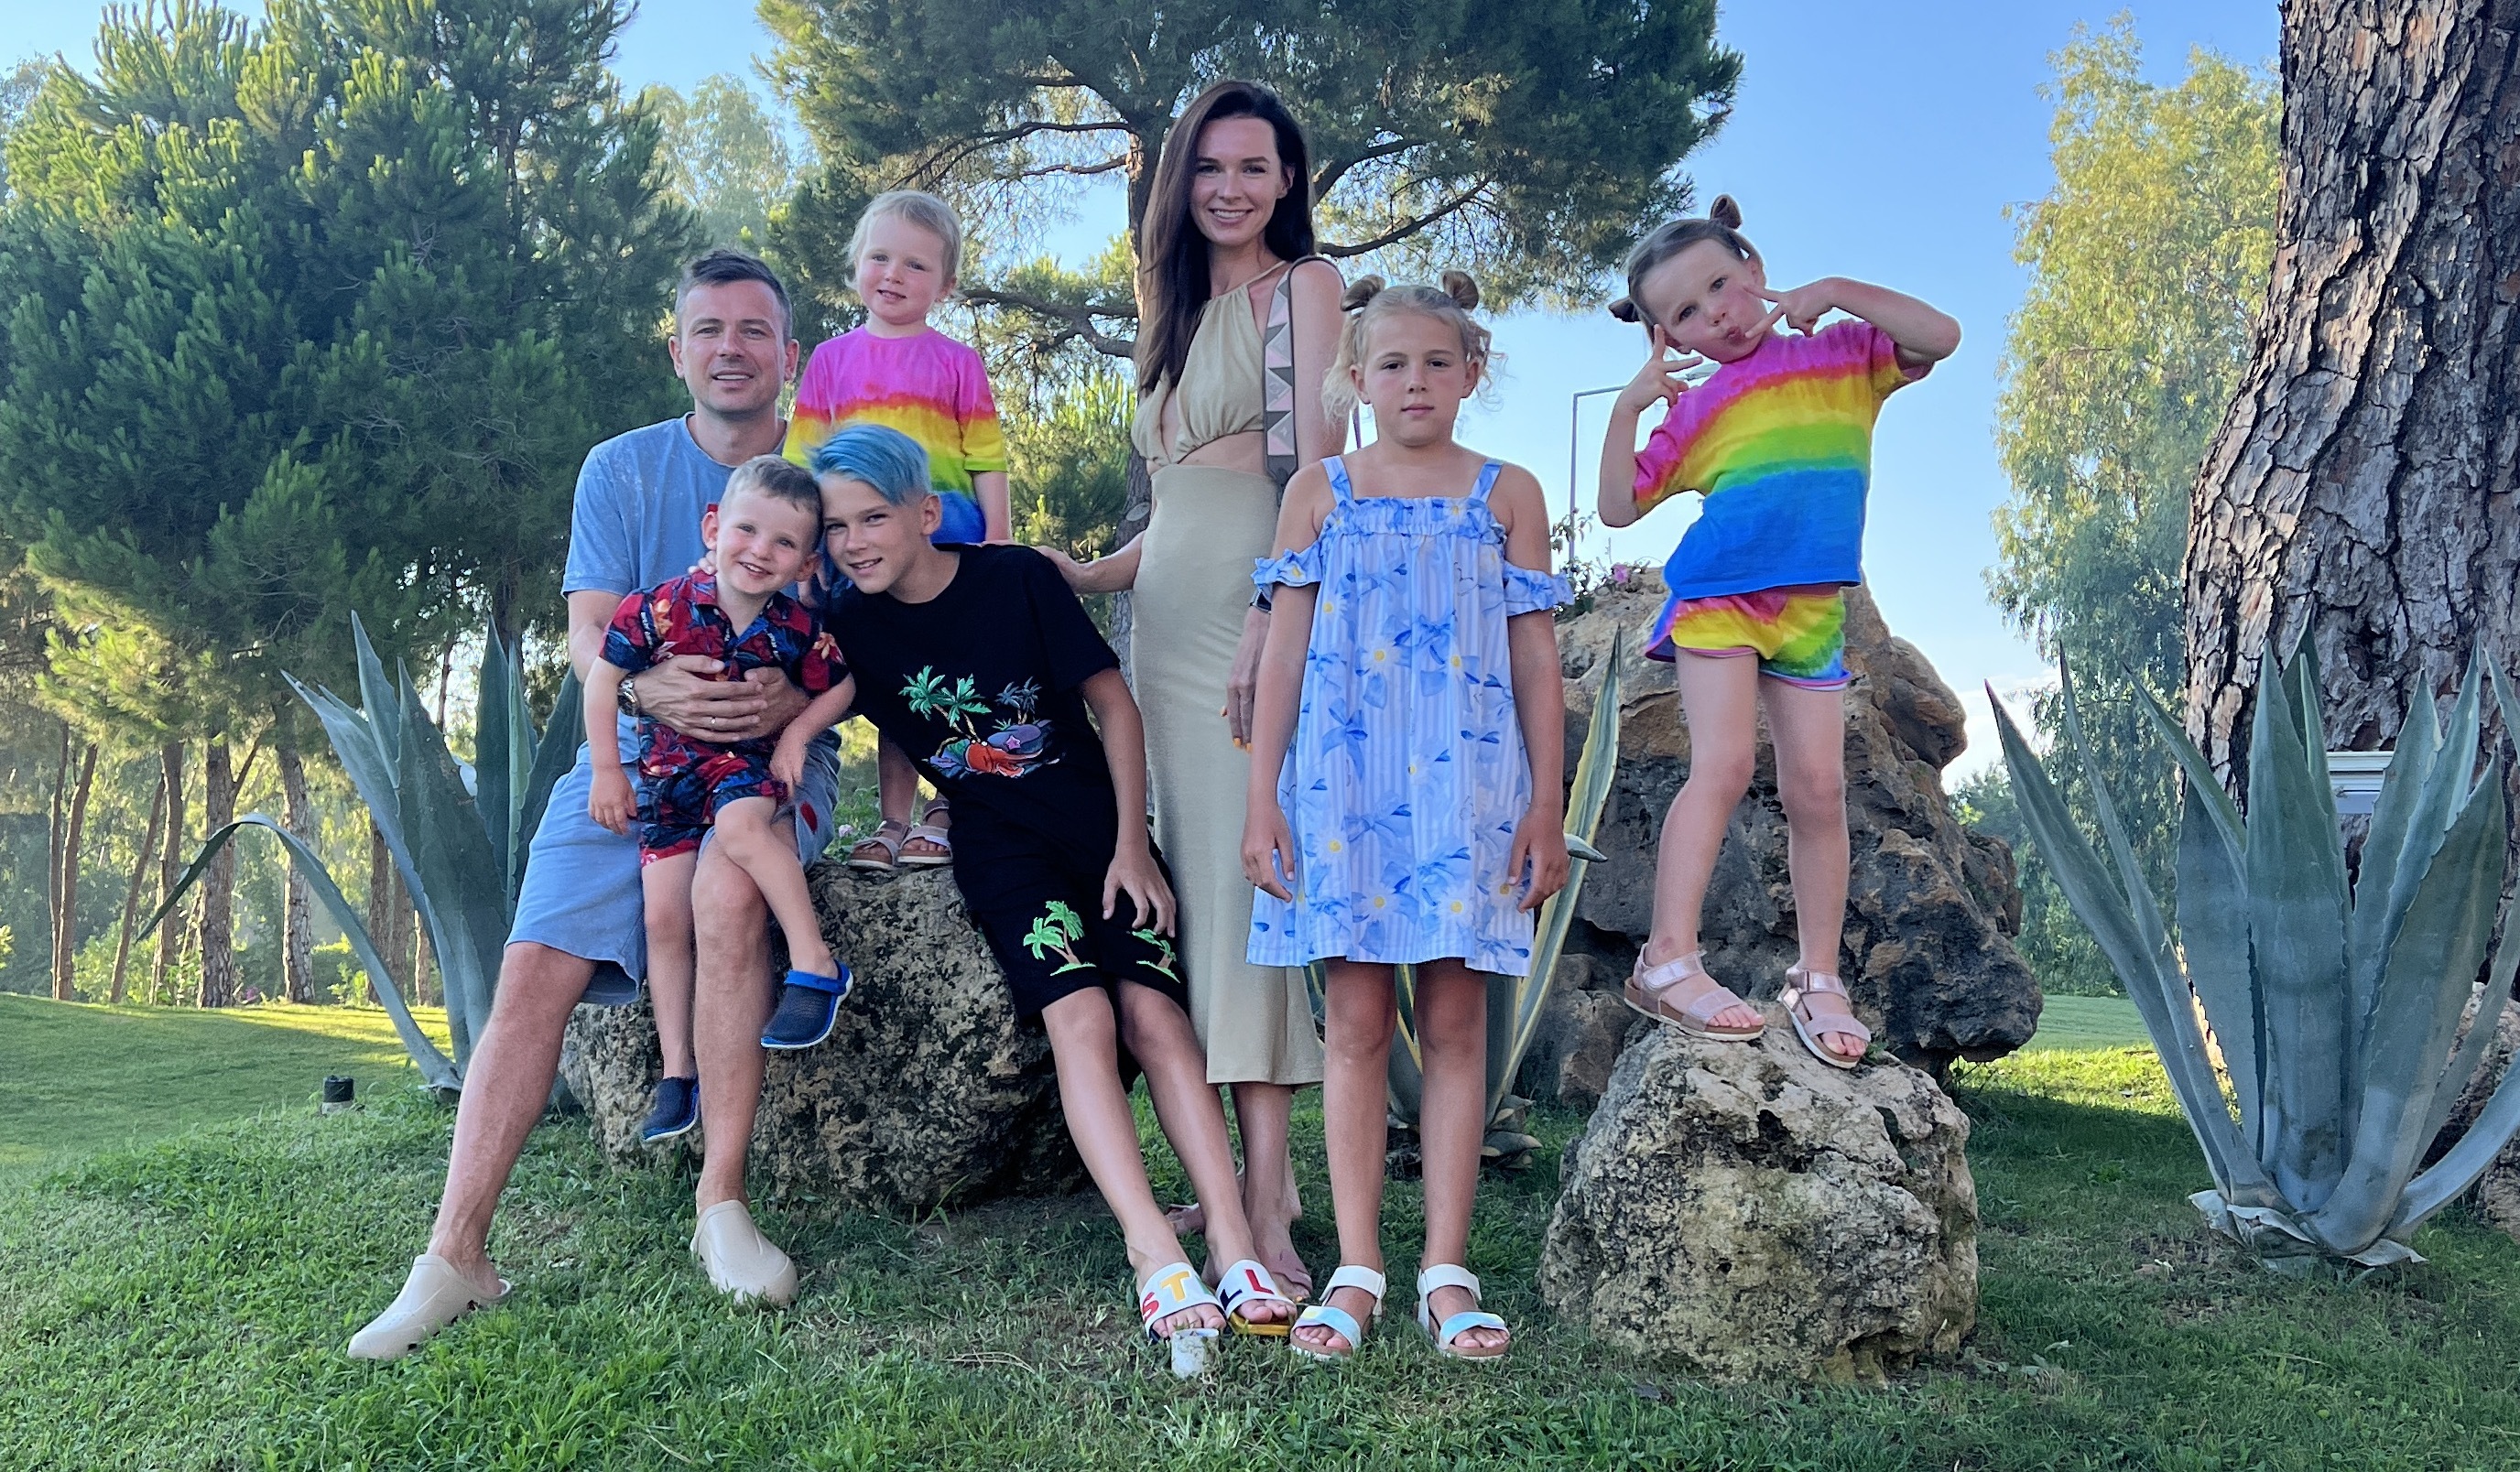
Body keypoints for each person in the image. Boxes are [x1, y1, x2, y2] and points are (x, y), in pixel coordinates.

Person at [348, 251, 838, 1360]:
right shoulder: (620, 469)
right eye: (707, 329)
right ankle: (455, 1253)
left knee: (727, 896)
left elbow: (869, 631)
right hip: (626, 759)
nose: (730, 348)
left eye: (754, 330)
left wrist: (789, 705)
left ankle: (721, 1206)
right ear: (677, 351)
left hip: (769, 772)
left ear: (788, 357)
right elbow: (591, 633)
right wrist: (652, 687)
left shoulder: (828, 479)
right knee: (531, 964)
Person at [812, 424, 1298, 1347]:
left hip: (1100, 835)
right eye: (834, 528)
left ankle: (1232, 1240)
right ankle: (1153, 1249)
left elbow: (1112, 705)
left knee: (1157, 1020)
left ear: (925, 512)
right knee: (1080, 1018)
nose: (854, 543)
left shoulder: (1016, 581)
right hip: (1003, 857)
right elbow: (804, 692)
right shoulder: (851, 628)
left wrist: (1133, 849)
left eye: (871, 517)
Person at [1041, 80, 1341, 1300]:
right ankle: (1241, 1178)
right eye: (1210, 166)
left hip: (1247, 605)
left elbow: (1315, 471)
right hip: (1161, 612)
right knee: (1196, 901)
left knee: (1240, 889)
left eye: (1255, 166)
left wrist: (1274, 614)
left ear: (1287, 181)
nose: (1232, 186)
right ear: (1184, 180)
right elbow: (1166, 517)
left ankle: (1270, 1200)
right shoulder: (1168, 314)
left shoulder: (1302, 290)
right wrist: (1073, 572)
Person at [1242, 274, 1570, 1363]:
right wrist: (1262, 798)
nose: (1415, 381)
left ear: (1473, 372)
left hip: (1469, 799)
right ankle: (1356, 1267)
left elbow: (1534, 655)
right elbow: (1282, 654)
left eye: (1438, 362)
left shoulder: (1508, 492)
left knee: (1458, 1027)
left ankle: (1445, 1266)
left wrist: (1546, 800)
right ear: (1356, 379)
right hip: (1342, 795)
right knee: (1355, 1026)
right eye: (1392, 364)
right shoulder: (1319, 492)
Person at [1594, 195, 1959, 1067]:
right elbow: (1615, 509)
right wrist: (1627, 409)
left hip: (1811, 611)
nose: (1714, 311)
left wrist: (1835, 288)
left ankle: (1819, 977)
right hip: (1720, 600)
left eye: (1721, 283)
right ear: (1671, 338)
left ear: (1755, 271)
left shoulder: (1845, 354)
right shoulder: (1697, 409)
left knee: (1819, 792)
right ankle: (1666, 960)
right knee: (1721, 766)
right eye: (1685, 311)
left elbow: (1939, 334)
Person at [581, 456, 860, 1126]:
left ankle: (816, 964)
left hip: (743, 769)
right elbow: (599, 678)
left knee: (741, 832)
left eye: (784, 544)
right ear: (713, 527)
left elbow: (845, 685)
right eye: (747, 530)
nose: (760, 551)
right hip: (667, 782)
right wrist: (606, 771)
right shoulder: (658, 608)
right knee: (663, 920)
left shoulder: (794, 629)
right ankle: (679, 1071)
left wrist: (796, 736)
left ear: (804, 565)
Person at [783, 189, 1008, 875]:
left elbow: (987, 458)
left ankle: (948, 808)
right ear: (855, 264)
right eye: (879, 257)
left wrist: (999, 540)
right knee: (890, 682)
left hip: (951, 548)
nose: (893, 274)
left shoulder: (958, 362)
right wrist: (803, 548)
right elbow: (802, 462)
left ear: (945, 283)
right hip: (861, 553)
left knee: (953, 678)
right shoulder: (830, 361)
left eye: (915, 264)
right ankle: (893, 819)